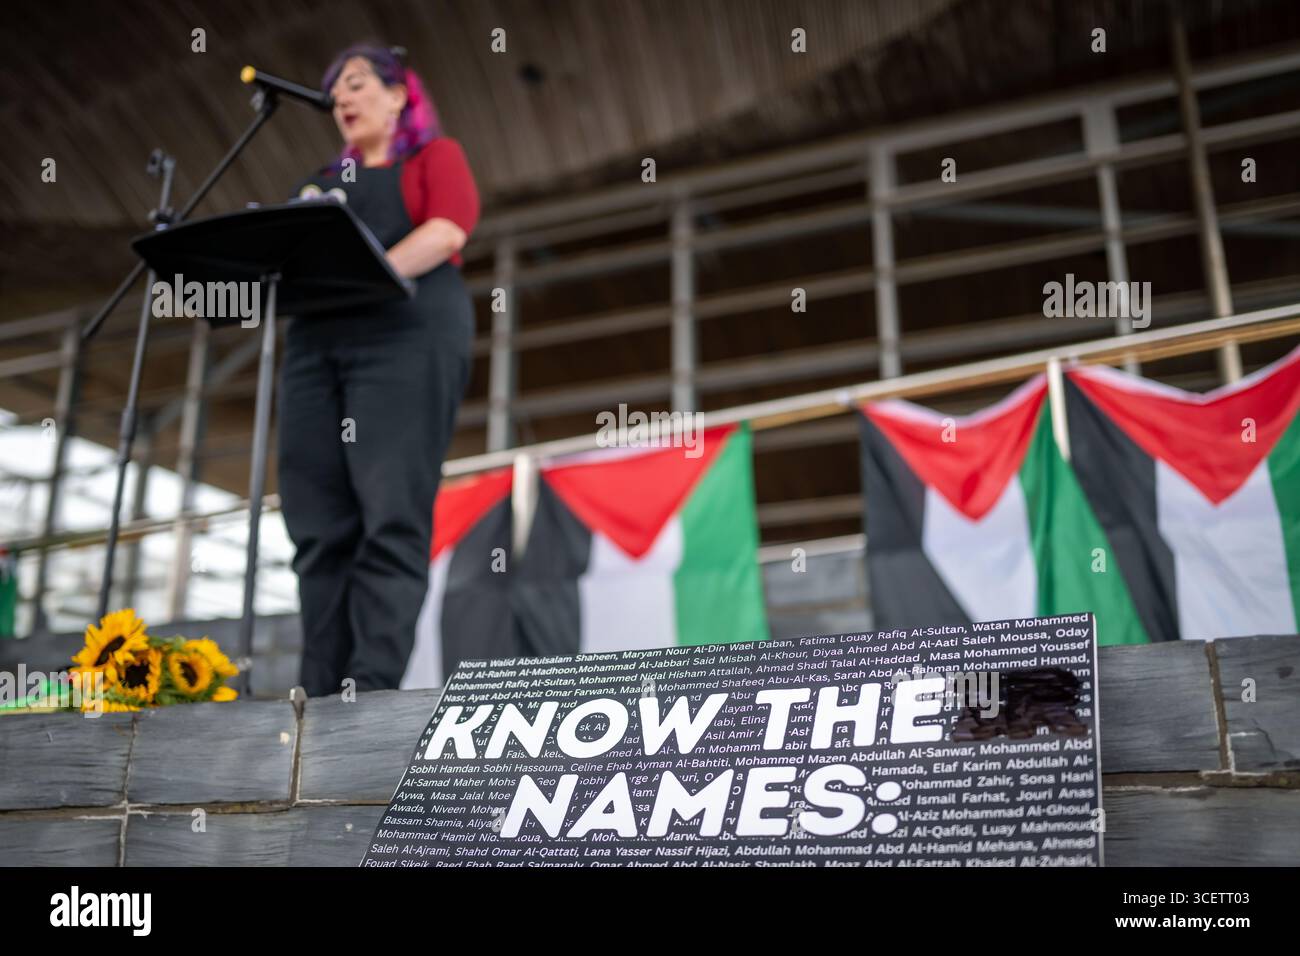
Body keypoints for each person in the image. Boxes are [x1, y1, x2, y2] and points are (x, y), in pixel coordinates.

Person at [278, 43, 479, 697]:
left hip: (407, 335)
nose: (343, 98)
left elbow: (448, 230)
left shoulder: (434, 158)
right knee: (318, 521)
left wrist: (368, 273)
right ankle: (315, 689)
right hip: (317, 346)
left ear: (400, 95)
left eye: (358, 83)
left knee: (390, 509)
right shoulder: (320, 183)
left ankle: (368, 686)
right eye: (335, 91)